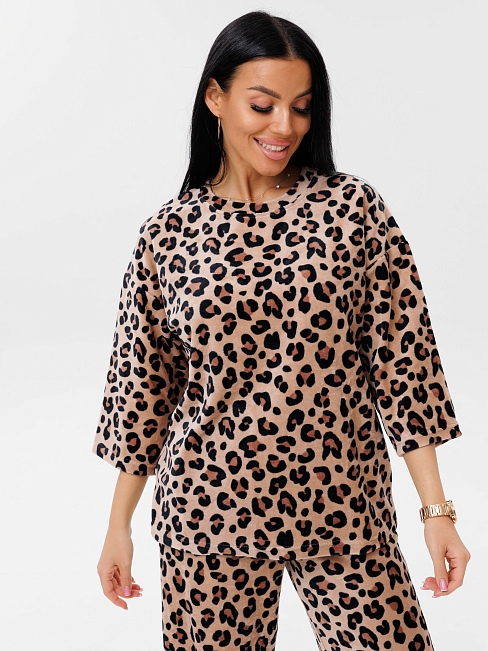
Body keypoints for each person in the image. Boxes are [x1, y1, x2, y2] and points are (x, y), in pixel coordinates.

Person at [92, 10, 470, 650]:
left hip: (345, 512)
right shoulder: (167, 234)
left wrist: (436, 512)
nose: (284, 127)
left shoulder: (354, 211)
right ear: (216, 98)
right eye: (262, 105)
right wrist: (117, 526)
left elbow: (406, 367)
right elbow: (143, 392)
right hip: (207, 517)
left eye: (301, 107)